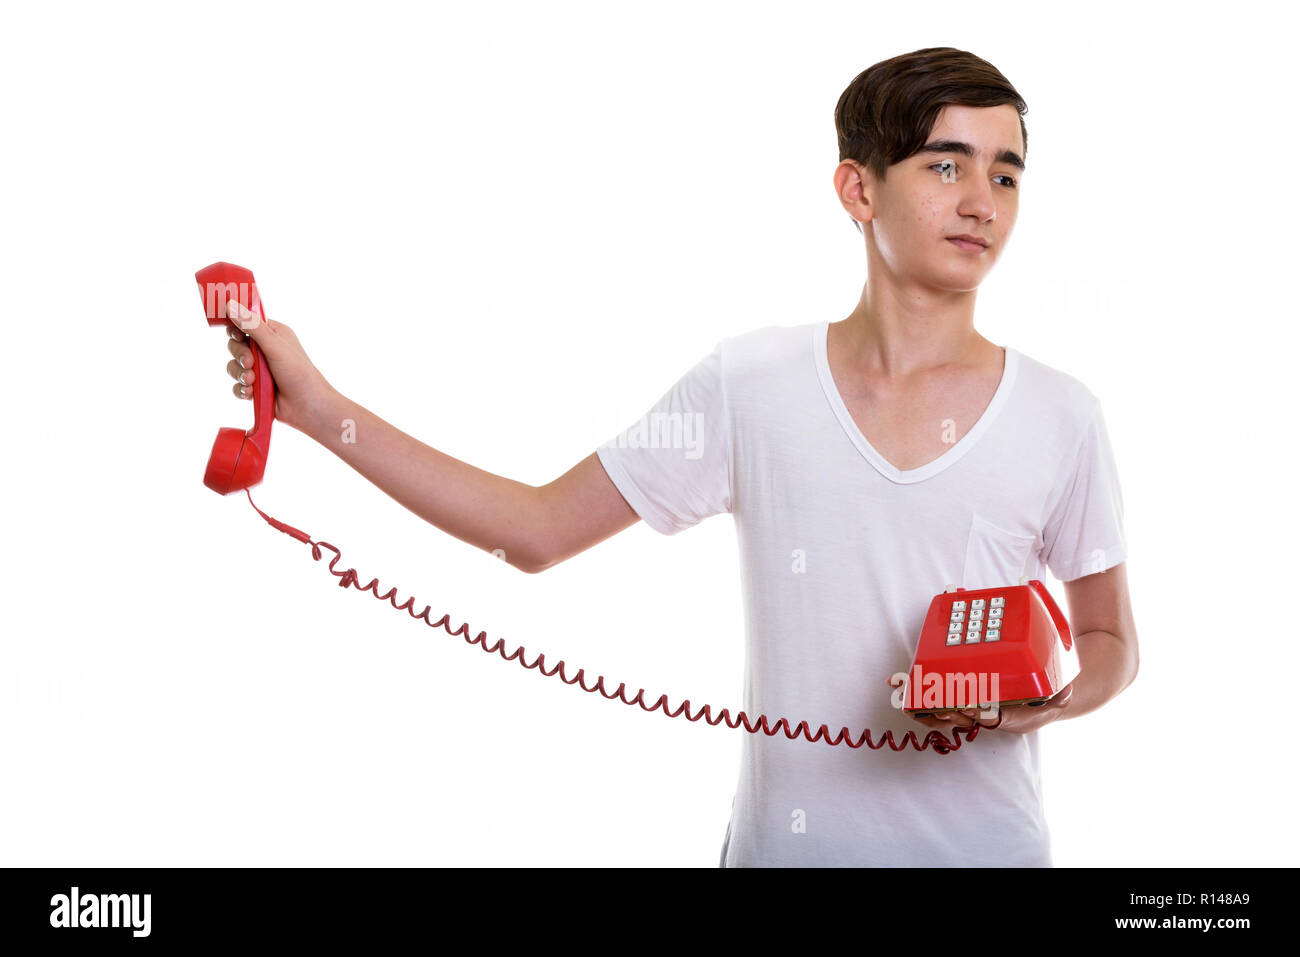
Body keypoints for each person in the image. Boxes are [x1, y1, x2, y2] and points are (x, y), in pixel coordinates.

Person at [220, 46, 1138, 867]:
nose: (981, 202)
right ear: (858, 190)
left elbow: (1110, 642)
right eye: (947, 164)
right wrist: (319, 409)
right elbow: (535, 529)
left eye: (1007, 175)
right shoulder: (751, 383)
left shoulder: (1062, 415)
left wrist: (1042, 700)